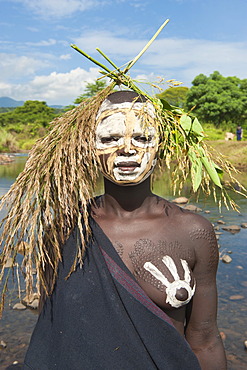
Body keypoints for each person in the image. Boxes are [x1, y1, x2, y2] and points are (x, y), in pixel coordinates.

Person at [22, 91, 227, 369]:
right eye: (110, 139)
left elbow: (205, 340)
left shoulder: (192, 232)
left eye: (142, 138)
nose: (127, 149)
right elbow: (54, 330)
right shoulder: (66, 227)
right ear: (90, 147)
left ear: (160, 146)